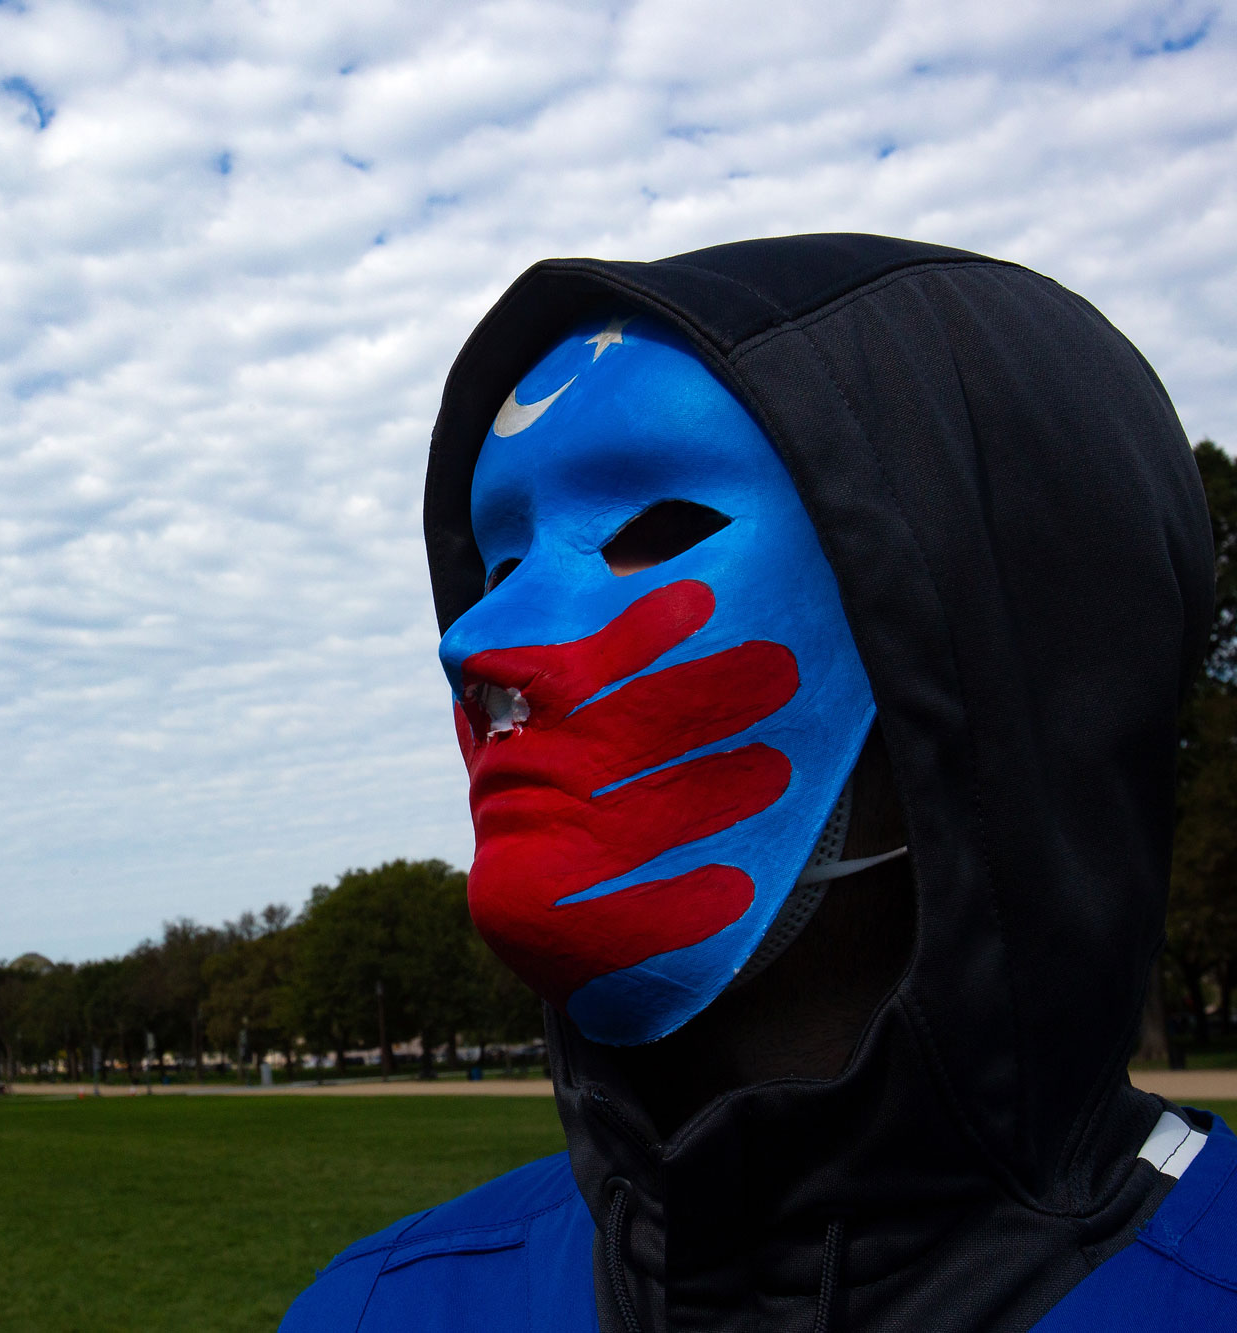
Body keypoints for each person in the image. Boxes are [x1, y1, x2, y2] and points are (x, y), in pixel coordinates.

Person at [282, 235, 1235, 1331]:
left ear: (1000, 650)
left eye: (654, 531)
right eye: (494, 566)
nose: (474, 641)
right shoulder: (375, 1310)